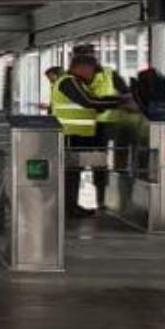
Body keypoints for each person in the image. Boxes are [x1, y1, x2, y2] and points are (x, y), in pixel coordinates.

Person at [53, 53, 128, 218]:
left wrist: (115, 101)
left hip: (77, 135)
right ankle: (68, 208)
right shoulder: (68, 82)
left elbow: (94, 102)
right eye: (92, 71)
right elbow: (89, 102)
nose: (93, 75)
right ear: (82, 68)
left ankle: (71, 206)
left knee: (74, 172)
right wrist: (121, 103)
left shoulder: (77, 82)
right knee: (70, 173)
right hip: (70, 134)